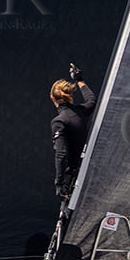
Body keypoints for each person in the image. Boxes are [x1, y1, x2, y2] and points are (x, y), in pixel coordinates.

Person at [51, 63, 97, 200]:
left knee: (68, 212)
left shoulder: (59, 122)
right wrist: (79, 80)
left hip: (71, 177)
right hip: (87, 167)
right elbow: (91, 100)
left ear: (52, 97)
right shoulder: (81, 111)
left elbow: (61, 154)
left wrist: (59, 183)